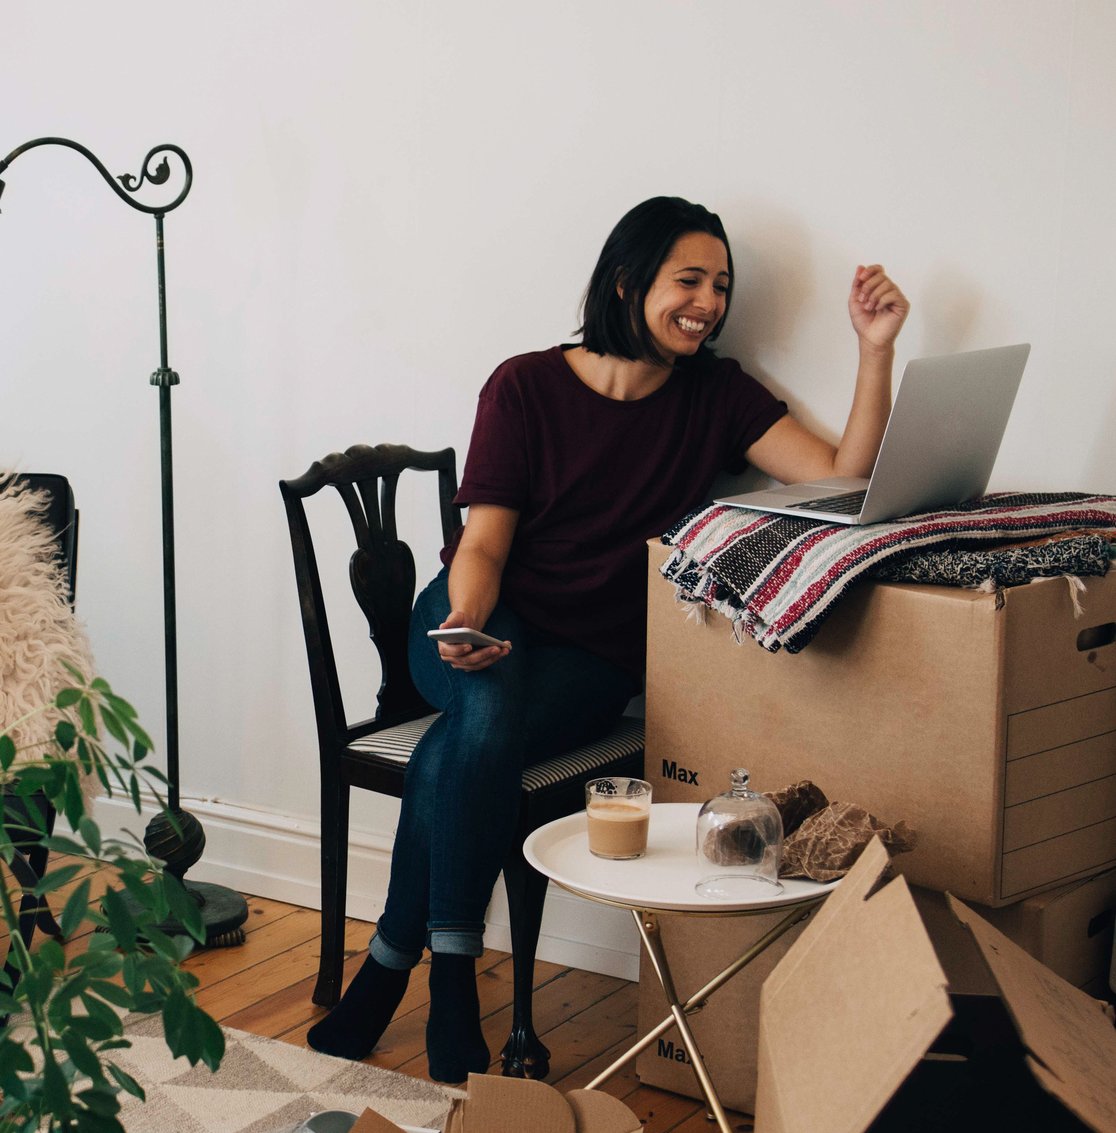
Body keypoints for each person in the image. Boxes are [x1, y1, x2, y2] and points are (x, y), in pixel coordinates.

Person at [306, 195, 909, 1080]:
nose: (709, 303)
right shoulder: (524, 386)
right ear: (627, 282)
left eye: (722, 286)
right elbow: (484, 545)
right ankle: (450, 977)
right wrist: (463, 623)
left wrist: (875, 349)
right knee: (484, 709)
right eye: (689, 280)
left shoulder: (717, 396)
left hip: (592, 659)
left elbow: (843, 479)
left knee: (465, 740)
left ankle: (396, 965)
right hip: (482, 611)